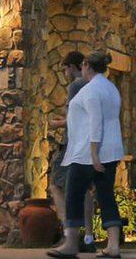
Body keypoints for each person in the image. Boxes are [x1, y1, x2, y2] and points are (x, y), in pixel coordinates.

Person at [48, 50, 124, 259]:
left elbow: (95, 121)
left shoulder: (91, 90)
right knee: (106, 196)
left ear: (87, 66)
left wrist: (93, 153)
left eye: (82, 65)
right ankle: (113, 245)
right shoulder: (111, 88)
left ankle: (71, 243)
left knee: (73, 194)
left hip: (87, 153)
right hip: (110, 150)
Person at [48, 50, 96, 252]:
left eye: (65, 69)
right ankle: (89, 237)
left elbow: (73, 118)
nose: (65, 74)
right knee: (85, 191)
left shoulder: (76, 86)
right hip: (89, 144)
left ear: (74, 67)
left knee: (55, 185)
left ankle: (69, 234)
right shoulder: (93, 86)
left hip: (72, 145)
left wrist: (56, 123)